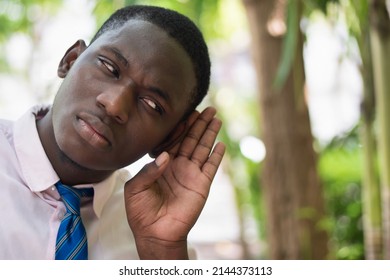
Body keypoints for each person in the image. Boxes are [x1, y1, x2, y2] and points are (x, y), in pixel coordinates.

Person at [0, 5, 225, 260]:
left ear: (169, 138)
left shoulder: (160, 242)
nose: (115, 104)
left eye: (152, 105)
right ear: (70, 61)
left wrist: (160, 249)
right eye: (109, 68)